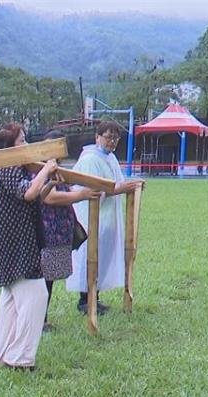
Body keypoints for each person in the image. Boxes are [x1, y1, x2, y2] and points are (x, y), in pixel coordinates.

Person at [66, 121, 144, 313]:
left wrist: (131, 185)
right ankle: (85, 299)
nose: (112, 142)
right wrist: (121, 188)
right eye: (108, 137)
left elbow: (117, 182)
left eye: (115, 138)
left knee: (103, 257)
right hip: (91, 217)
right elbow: (93, 189)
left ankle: (95, 295)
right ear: (98, 137)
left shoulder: (110, 158)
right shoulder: (89, 159)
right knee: (90, 256)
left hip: (107, 217)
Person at [37, 130, 101, 332]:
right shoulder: (39, 170)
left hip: (59, 231)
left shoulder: (57, 170)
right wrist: (81, 194)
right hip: (47, 231)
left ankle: (42, 318)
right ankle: (39, 320)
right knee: (43, 278)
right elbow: (50, 197)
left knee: (50, 277)